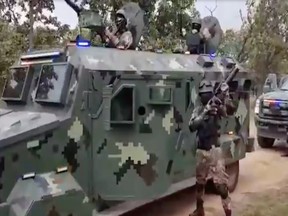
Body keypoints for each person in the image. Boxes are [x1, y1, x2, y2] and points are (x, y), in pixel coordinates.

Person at [188, 80, 235, 216]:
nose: (205, 96)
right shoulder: (198, 109)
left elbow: (229, 111)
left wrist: (226, 96)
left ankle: (228, 211)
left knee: (221, 185)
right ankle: (199, 210)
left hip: (215, 150)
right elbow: (192, 126)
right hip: (201, 150)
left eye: (207, 94)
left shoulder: (217, 107)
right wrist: (205, 113)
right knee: (199, 183)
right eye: (203, 94)